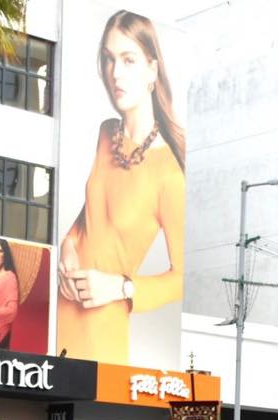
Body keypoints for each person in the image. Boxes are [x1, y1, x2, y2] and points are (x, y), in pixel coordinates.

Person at [56, 9, 185, 362]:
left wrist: (122, 286)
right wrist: (67, 248)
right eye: (109, 59)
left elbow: (183, 278)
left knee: (92, 417)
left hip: (103, 323)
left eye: (129, 60)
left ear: (152, 71)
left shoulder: (169, 174)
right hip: (62, 307)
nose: (116, 73)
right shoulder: (105, 134)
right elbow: (91, 219)